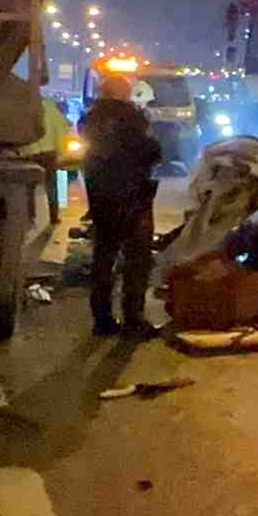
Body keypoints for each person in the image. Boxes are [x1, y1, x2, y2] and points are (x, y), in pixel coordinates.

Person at [80, 75, 162, 337]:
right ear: (125, 93)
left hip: (101, 199)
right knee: (137, 260)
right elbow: (150, 151)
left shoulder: (89, 120)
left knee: (104, 258)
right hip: (132, 198)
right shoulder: (134, 118)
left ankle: (102, 319)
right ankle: (133, 320)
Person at [16, 94, 70, 224]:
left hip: (30, 152)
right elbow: (61, 130)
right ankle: (54, 216)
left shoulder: (23, 108)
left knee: (29, 186)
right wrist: (61, 151)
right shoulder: (51, 109)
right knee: (51, 185)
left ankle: (30, 216)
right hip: (49, 152)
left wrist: (19, 150)